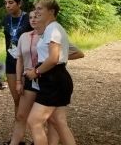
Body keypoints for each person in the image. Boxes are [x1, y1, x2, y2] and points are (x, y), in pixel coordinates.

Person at [9, 10, 83, 145]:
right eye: (30, 17)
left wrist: (54, 61)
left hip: (47, 77)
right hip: (32, 79)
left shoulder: (51, 33)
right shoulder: (25, 36)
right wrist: (19, 80)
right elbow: (19, 58)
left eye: (37, 16)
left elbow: (76, 53)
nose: (33, 19)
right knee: (26, 116)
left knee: (50, 120)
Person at [24, 0, 76, 145]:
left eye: (40, 9)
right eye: (36, 8)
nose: (36, 12)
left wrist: (36, 72)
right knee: (58, 121)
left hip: (54, 79)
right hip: (54, 78)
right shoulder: (51, 29)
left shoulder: (53, 29)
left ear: (51, 11)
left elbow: (53, 59)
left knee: (34, 121)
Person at [3, 0, 32, 114]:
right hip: (10, 60)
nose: (8, 6)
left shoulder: (28, 18)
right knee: (16, 99)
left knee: (25, 98)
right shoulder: (6, 19)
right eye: (5, 3)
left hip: (25, 61)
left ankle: (31, 126)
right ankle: (19, 126)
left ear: (19, 4)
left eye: (11, 3)